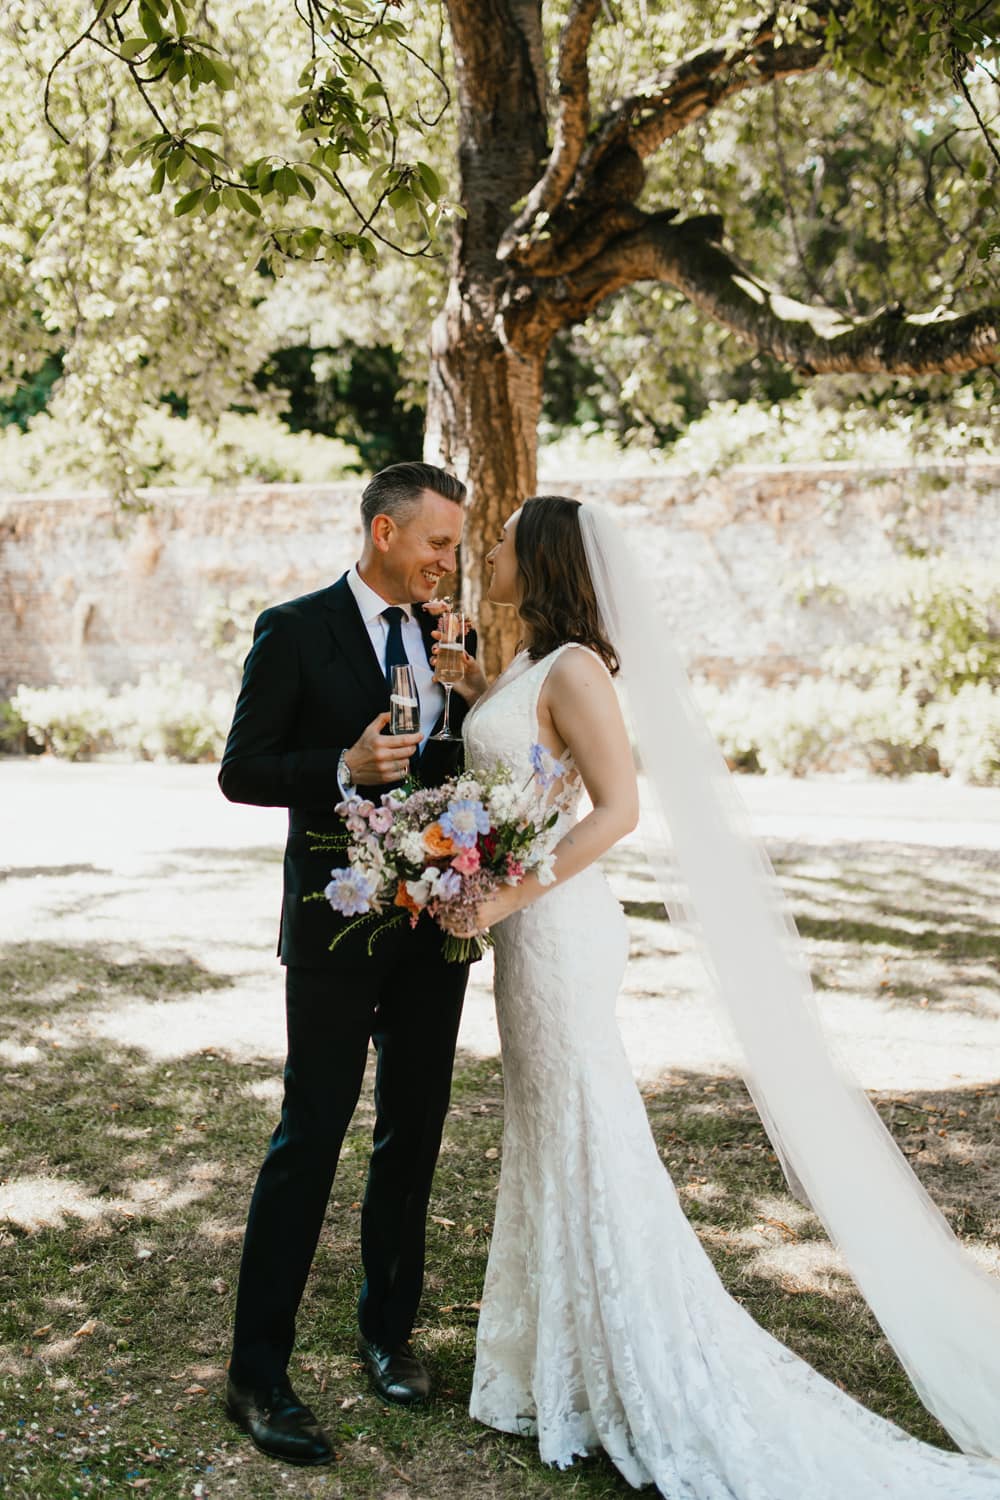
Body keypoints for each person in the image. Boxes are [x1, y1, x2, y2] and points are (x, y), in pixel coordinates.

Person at [445, 495, 1000, 1497]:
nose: (490, 548)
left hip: (559, 929)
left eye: (505, 538)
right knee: (546, 1131)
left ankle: (640, 1361)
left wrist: (503, 896)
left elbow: (616, 810)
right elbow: (533, 768)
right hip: (523, 933)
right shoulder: (530, 665)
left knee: (587, 1127)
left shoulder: (575, 669)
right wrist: (475, 686)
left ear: (545, 560)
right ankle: (555, 1365)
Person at [218, 462, 475, 1466]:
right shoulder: (293, 628)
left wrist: (466, 695)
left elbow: (467, 765)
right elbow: (241, 769)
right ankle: (256, 1374)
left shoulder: (448, 636)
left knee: (412, 1133)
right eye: (438, 543)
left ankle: (387, 1332)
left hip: (432, 923)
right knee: (310, 1136)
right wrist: (338, 768)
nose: (448, 561)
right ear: (383, 532)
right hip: (333, 924)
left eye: (453, 546)